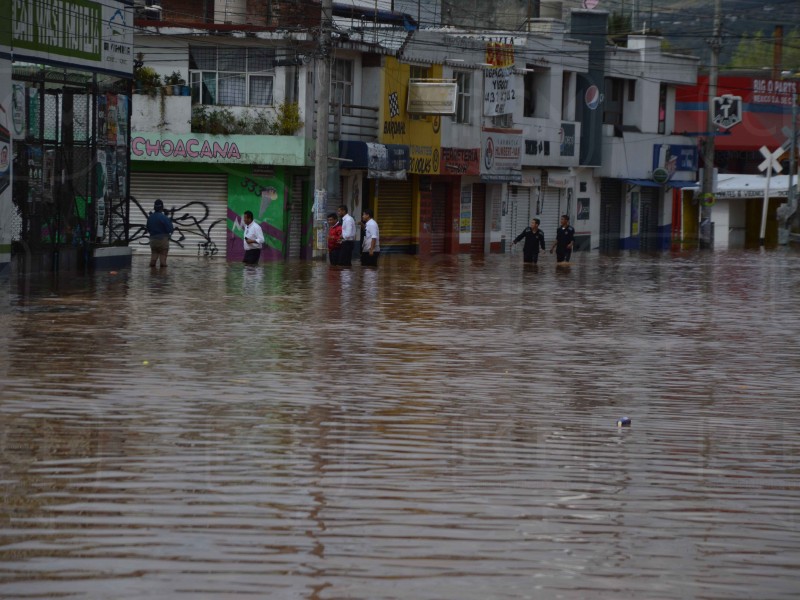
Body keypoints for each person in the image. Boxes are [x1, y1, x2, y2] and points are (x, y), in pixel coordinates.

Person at [146, 199, 173, 268]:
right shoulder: (164, 217)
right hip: (162, 240)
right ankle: (162, 276)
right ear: (162, 208)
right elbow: (170, 229)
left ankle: (152, 276)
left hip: (152, 240)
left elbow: (148, 228)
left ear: (154, 207)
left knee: (153, 260)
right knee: (163, 262)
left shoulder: (150, 218)